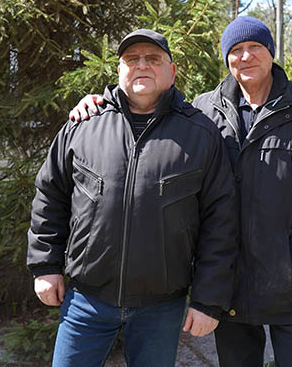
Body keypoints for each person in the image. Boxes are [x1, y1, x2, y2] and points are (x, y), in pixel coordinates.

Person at [70, 16, 292, 367]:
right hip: (229, 285)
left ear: (271, 52)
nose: (246, 56)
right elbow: (152, 117)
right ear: (226, 59)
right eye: (236, 50)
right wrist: (100, 103)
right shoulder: (205, 110)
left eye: (255, 47)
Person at [28, 29, 238, 367]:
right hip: (86, 299)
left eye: (153, 59)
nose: (142, 65)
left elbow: (221, 220)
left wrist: (208, 300)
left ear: (172, 71)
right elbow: (50, 195)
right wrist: (45, 266)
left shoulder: (200, 134)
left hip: (161, 306)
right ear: (119, 70)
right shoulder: (83, 124)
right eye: (132, 59)